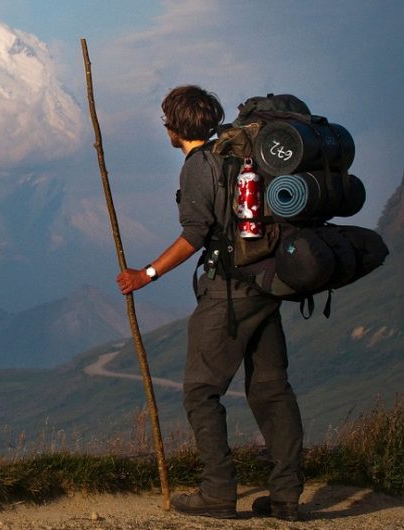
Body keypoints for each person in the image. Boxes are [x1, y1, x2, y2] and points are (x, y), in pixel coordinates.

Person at [116, 85, 303, 521]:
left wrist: (145, 274)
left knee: (201, 391)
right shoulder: (239, 152)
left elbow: (195, 235)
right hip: (267, 283)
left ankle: (218, 491)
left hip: (230, 291)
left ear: (174, 127)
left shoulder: (199, 166)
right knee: (271, 390)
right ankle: (286, 496)